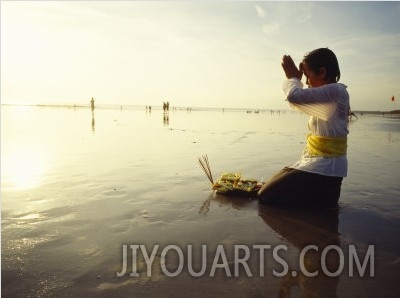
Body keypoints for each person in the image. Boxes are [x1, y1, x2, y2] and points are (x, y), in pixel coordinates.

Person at [258, 48, 350, 208]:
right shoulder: (327, 95)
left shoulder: (337, 91)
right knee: (263, 188)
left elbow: (294, 96)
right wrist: (295, 79)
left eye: (308, 76)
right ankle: (317, 197)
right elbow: (297, 98)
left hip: (328, 169)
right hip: (315, 161)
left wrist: (293, 78)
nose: (306, 83)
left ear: (322, 72)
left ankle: (321, 200)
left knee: (265, 195)